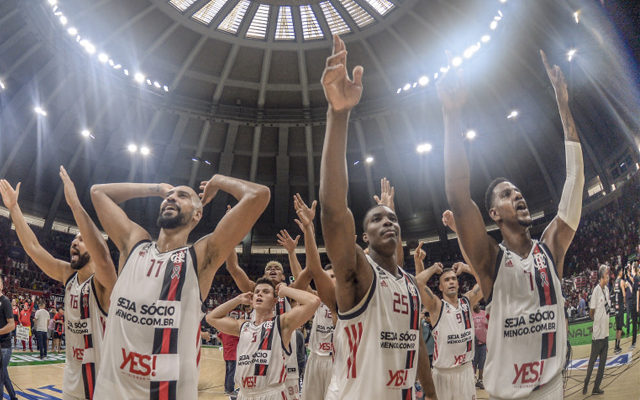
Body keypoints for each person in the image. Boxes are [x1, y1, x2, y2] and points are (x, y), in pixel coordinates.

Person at [438, 48, 583, 399]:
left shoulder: (551, 246)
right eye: (506, 195)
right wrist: (451, 115)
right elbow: (458, 194)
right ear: (494, 214)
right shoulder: (490, 260)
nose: (517, 195)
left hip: (551, 390)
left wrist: (563, 105)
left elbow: (575, 179)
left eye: (517, 192)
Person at [319, 34, 436, 400]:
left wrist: (431, 394)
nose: (387, 222)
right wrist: (339, 116)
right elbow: (334, 211)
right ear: (363, 237)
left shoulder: (408, 284)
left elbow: (415, 341)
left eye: (392, 218)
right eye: (376, 220)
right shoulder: (357, 271)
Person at [90, 173, 269, 399]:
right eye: (168, 196)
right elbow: (98, 192)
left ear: (197, 214)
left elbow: (258, 195)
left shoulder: (201, 257)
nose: (171, 198)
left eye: (182, 196)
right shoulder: (134, 242)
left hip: (168, 393)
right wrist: (157, 189)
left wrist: (216, 180)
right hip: (111, 391)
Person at [1, 167, 117, 400]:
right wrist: (14, 209)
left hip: (101, 382)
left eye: (82, 239)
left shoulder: (105, 282)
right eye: (74, 238)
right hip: (73, 378)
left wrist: (75, 205)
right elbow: (34, 249)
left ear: (95, 247)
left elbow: (104, 256)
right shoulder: (68, 274)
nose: (75, 241)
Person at [206, 279, 320, 400]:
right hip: (244, 394)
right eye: (257, 292)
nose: (260, 294)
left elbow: (313, 301)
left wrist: (285, 290)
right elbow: (211, 317)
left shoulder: (281, 324)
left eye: (266, 292)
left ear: (275, 301)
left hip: (271, 393)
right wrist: (238, 299)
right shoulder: (243, 326)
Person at [415, 261, 483, 400]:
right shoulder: (436, 306)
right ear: (440, 287)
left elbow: (486, 279)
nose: (451, 282)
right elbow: (416, 284)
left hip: (465, 371)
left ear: (458, 284)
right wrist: (433, 268)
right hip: (443, 374)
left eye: (453, 279)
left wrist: (466, 268)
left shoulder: (468, 300)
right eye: (446, 280)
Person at [583, 265, 610, 395]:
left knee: (602, 364)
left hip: (605, 335)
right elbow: (591, 312)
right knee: (592, 361)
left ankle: (596, 387)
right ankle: (586, 383)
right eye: (607, 274)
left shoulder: (608, 290)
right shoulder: (596, 291)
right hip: (597, 335)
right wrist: (597, 322)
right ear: (601, 276)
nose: (608, 276)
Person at [0, 279, 17, 400]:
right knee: (3, 374)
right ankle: (13, 397)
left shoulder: (5, 302)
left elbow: (12, 325)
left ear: (1, 285)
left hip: (4, 346)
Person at [217, 329, 240, 399]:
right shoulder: (234, 333)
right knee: (231, 373)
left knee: (228, 372)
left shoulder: (224, 331)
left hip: (226, 354)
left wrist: (223, 342)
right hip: (232, 355)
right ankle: (230, 390)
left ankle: (227, 388)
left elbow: (218, 336)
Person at [471, 303, 487, 389]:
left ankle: (480, 381)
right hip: (474, 344)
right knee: (473, 363)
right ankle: (470, 381)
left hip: (484, 343)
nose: (475, 304)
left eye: (476, 302)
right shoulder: (470, 314)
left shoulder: (484, 313)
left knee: (482, 363)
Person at [613, 267, 626, 353]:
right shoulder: (621, 281)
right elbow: (624, 295)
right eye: (622, 271)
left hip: (616, 307)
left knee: (617, 328)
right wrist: (625, 304)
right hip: (620, 307)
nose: (622, 272)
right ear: (619, 272)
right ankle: (618, 346)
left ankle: (615, 346)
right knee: (620, 328)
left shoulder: (615, 282)